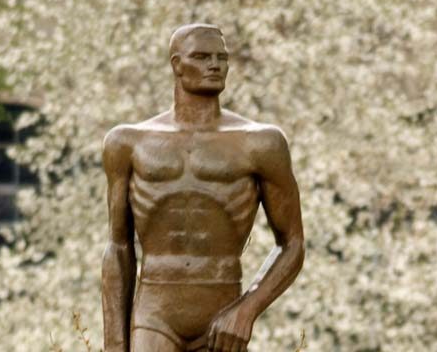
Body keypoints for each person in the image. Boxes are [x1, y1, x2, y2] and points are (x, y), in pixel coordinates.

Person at [101, 23, 306, 352]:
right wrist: (114, 343)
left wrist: (247, 310)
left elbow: (292, 244)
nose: (215, 65)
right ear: (176, 64)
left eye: (221, 58)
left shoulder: (260, 143)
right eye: (201, 56)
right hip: (155, 313)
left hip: (223, 313)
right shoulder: (128, 143)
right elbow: (118, 247)